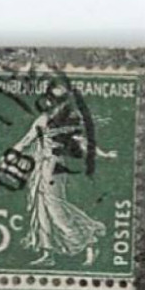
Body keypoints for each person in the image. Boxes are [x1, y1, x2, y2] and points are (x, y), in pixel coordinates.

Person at [8, 108, 116, 267]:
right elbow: (27, 139)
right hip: (40, 167)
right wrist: (12, 153)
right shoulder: (43, 120)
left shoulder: (69, 121)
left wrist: (104, 155)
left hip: (55, 168)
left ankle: (90, 241)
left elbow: (83, 142)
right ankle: (47, 253)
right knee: (41, 209)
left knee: (55, 208)